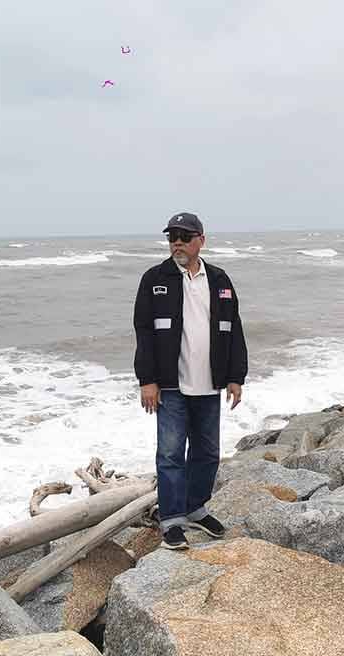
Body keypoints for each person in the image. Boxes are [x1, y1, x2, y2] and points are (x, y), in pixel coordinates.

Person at [133, 212, 248, 550]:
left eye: (185, 236)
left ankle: (194, 507)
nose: (177, 243)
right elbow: (144, 333)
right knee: (170, 454)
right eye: (172, 237)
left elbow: (234, 329)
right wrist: (147, 380)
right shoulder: (155, 279)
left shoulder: (220, 280)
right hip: (171, 386)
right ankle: (170, 520)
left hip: (209, 385)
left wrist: (235, 377)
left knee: (208, 453)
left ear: (201, 240)